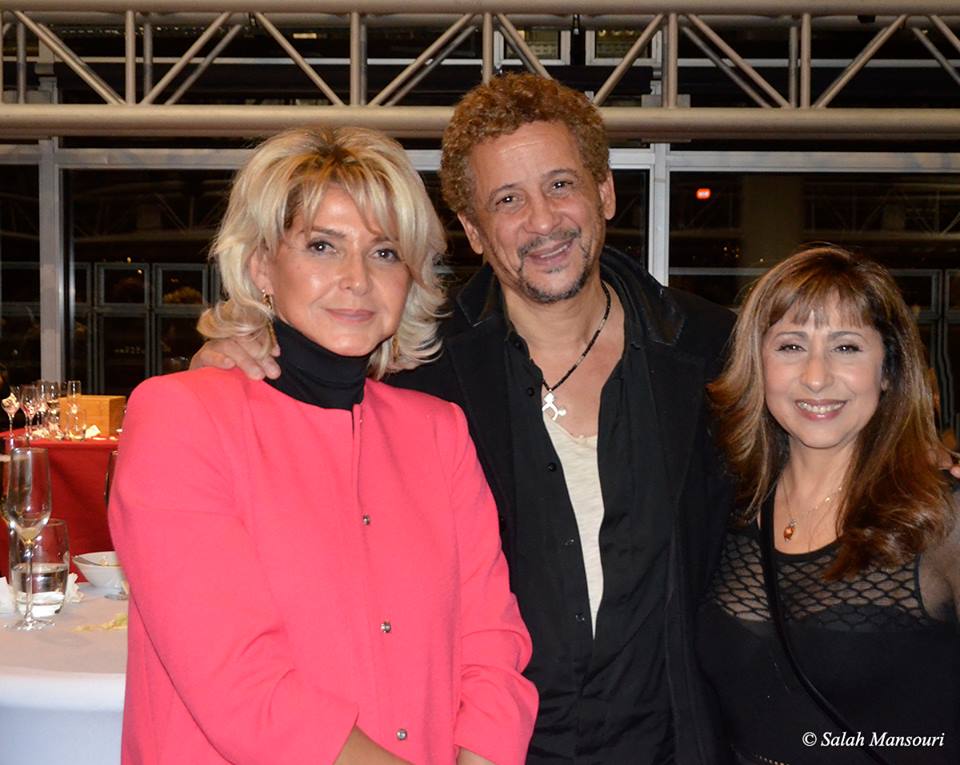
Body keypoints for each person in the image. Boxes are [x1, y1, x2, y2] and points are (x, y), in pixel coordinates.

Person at [194, 74, 736, 764]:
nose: (542, 221)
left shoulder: (715, 353)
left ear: (604, 192)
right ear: (475, 231)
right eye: (507, 200)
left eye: (561, 185)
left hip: (671, 747)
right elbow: (289, 417)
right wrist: (228, 357)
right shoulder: (413, 371)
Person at [109, 125, 538, 765]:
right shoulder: (181, 418)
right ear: (261, 266)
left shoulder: (438, 431)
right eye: (322, 246)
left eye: (384, 252)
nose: (356, 278)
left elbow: (491, 639)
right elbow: (238, 681)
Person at [699, 245, 960, 764]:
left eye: (846, 347)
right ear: (758, 364)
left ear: (888, 370)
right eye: (791, 346)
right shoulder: (723, 507)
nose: (816, 377)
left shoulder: (942, 521)